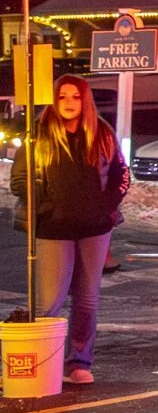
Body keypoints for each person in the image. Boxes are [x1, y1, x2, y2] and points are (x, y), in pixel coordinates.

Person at [8, 75, 129, 385]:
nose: (69, 103)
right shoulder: (39, 133)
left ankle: (78, 363)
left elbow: (122, 174)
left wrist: (106, 205)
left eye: (75, 97)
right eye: (62, 97)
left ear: (84, 100)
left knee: (88, 300)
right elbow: (19, 180)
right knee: (50, 301)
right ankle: (41, 362)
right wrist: (47, 209)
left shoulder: (101, 132)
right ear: (54, 100)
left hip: (95, 230)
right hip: (53, 231)